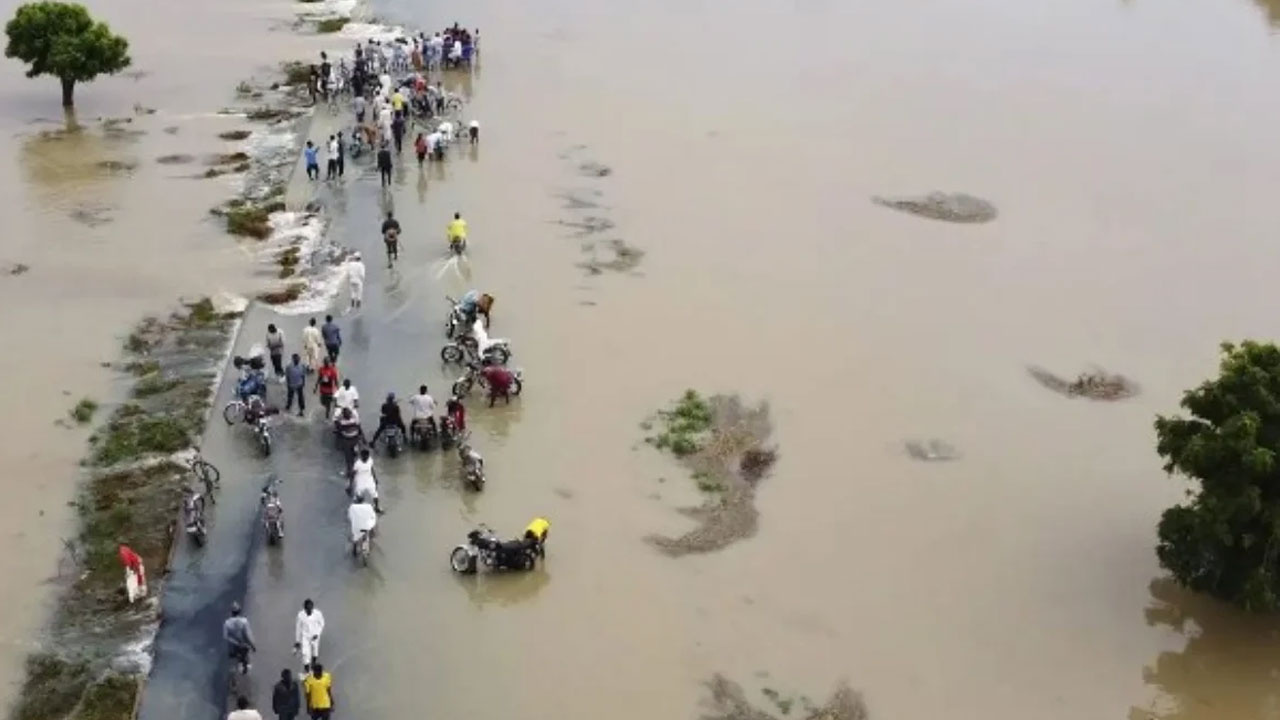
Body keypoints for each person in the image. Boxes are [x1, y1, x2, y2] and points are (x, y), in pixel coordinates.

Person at [223, 602, 257, 675]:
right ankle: (245, 673)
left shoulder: (227, 622)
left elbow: (225, 636)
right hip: (244, 645)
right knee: (246, 659)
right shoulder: (244, 621)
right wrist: (253, 645)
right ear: (239, 611)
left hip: (233, 647)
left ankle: (236, 675)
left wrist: (236, 643)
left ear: (231, 612)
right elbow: (248, 635)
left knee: (235, 661)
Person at [294, 599, 325, 673]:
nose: (309, 611)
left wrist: (317, 634)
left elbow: (322, 624)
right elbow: (298, 628)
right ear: (304, 608)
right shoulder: (300, 615)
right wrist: (298, 641)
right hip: (305, 636)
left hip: (315, 636)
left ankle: (313, 665)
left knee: (315, 652)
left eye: (310, 609)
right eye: (307, 609)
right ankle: (307, 671)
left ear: (312, 607)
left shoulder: (318, 614)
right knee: (305, 654)